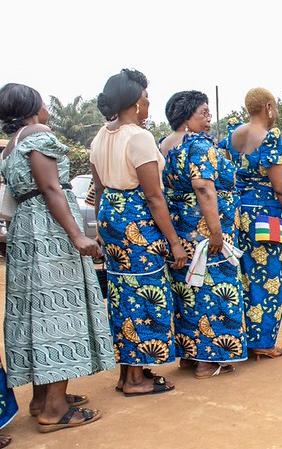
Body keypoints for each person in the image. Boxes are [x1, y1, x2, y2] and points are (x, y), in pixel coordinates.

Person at [1, 82, 115, 431]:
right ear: (33, 106)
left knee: (37, 312)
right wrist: (78, 235)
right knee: (59, 313)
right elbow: (51, 188)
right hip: (49, 232)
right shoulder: (39, 133)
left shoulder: (11, 147)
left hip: (25, 232)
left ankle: (42, 399)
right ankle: (54, 409)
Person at [91, 70, 186, 396]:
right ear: (134, 102)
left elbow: (100, 190)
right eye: (146, 98)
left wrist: (104, 232)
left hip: (112, 222)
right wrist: (174, 242)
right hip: (137, 226)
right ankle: (134, 380)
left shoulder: (101, 136)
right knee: (144, 295)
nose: (149, 104)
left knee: (121, 296)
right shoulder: (139, 137)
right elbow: (154, 197)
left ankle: (129, 372)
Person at [222, 88, 282, 360]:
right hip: (267, 216)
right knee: (269, 279)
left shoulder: (234, 134)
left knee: (245, 277)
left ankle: (243, 339)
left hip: (239, 216)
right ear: (268, 107)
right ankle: (262, 343)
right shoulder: (271, 138)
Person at [160, 91, 247, 378]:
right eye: (204, 112)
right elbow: (203, 188)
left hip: (182, 229)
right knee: (213, 288)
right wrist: (217, 233)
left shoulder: (165, 145)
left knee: (188, 289)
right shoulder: (198, 145)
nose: (209, 118)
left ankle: (189, 354)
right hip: (204, 231)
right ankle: (208, 360)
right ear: (187, 116)